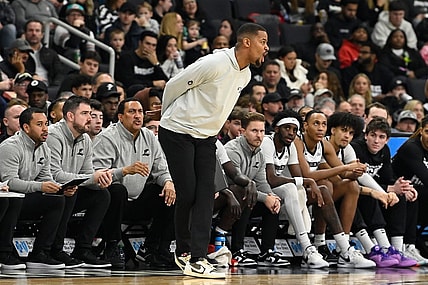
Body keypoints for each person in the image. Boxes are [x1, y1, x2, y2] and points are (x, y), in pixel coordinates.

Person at [158, 23, 269, 278]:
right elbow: (173, 85)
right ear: (246, 42)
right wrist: (168, 115)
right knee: (188, 194)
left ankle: (199, 257)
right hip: (178, 132)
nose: (266, 48)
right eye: (263, 41)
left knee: (206, 195)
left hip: (206, 137)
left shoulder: (246, 74)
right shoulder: (215, 62)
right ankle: (184, 252)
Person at [92, 98, 176, 269]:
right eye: (132, 112)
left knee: (171, 191)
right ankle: (113, 246)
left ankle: (154, 249)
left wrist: (168, 182)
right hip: (111, 203)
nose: (137, 116)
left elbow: (161, 168)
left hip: (138, 200)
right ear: (121, 117)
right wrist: (124, 171)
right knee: (117, 190)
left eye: (140, 112)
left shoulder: (150, 137)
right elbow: (97, 176)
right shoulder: (107, 138)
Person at [261, 110, 350, 269]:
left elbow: (299, 177)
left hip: (286, 196)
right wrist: (308, 180)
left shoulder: (291, 146)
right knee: (290, 188)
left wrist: (309, 183)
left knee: (323, 189)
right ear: (276, 129)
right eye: (287, 128)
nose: (291, 133)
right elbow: (271, 179)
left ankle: (345, 250)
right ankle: (308, 248)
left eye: (294, 130)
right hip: (262, 190)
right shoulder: (267, 142)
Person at [329, 113, 416, 268]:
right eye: (373, 135)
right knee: (359, 192)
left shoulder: (348, 149)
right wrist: (379, 192)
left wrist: (397, 189)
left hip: (349, 189)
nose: (376, 141)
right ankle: (372, 249)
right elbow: (347, 177)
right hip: (331, 192)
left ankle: (394, 249)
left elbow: (381, 178)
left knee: (397, 196)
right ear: (365, 136)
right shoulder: (353, 147)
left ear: (387, 139)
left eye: (381, 137)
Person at [294, 110, 376, 268]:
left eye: (323, 124)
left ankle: (342, 249)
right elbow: (307, 174)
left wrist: (357, 170)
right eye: (316, 123)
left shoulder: (324, 145)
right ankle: (325, 244)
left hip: (312, 191)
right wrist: (346, 168)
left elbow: (344, 173)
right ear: (305, 126)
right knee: (325, 186)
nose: (320, 128)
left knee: (350, 186)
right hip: (292, 190)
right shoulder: (298, 142)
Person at [46, 96, 113, 268]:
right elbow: (55, 174)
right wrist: (92, 178)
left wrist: (100, 180)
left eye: (90, 114)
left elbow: (87, 173)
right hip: (49, 190)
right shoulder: (53, 135)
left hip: (69, 188)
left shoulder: (85, 139)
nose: (90, 118)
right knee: (69, 191)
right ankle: (55, 249)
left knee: (102, 194)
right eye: (84, 113)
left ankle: (83, 249)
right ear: (70, 116)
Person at [0, 108, 65, 269]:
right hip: (8, 198)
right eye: (39, 124)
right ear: (26, 127)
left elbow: (46, 177)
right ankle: (4, 253)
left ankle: (41, 253)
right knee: (13, 199)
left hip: (26, 198)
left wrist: (58, 188)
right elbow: (10, 182)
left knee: (58, 200)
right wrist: (41, 186)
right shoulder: (10, 147)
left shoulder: (44, 148)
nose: (45, 129)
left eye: (46, 124)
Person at [224, 112, 290, 268]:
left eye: (262, 131)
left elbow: (261, 181)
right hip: (225, 199)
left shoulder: (259, 153)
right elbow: (237, 182)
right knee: (248, 197)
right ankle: (237, 251)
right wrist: (265, 197)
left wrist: (271, 196)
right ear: (243, 131)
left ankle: (267, 251)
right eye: (254, 131)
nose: (259, 135)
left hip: (246, 197)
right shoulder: (232, 150)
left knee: (272, 205)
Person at [392, 115, 428, 264]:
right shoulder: (411, 148)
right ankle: (410, 245)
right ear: (420, 131)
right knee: (415, 193)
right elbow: (426, 178)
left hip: (417, 196)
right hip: (395, 192)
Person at [24, 19, 64, 87]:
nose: (34, 33)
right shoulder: (18, 52)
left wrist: (55, 87)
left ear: (42, 34)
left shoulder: (51, 53)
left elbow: (59, 73)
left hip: (49, 88)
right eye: (30, 30)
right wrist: (31, 76)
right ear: (25, 33)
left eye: (37, 30)